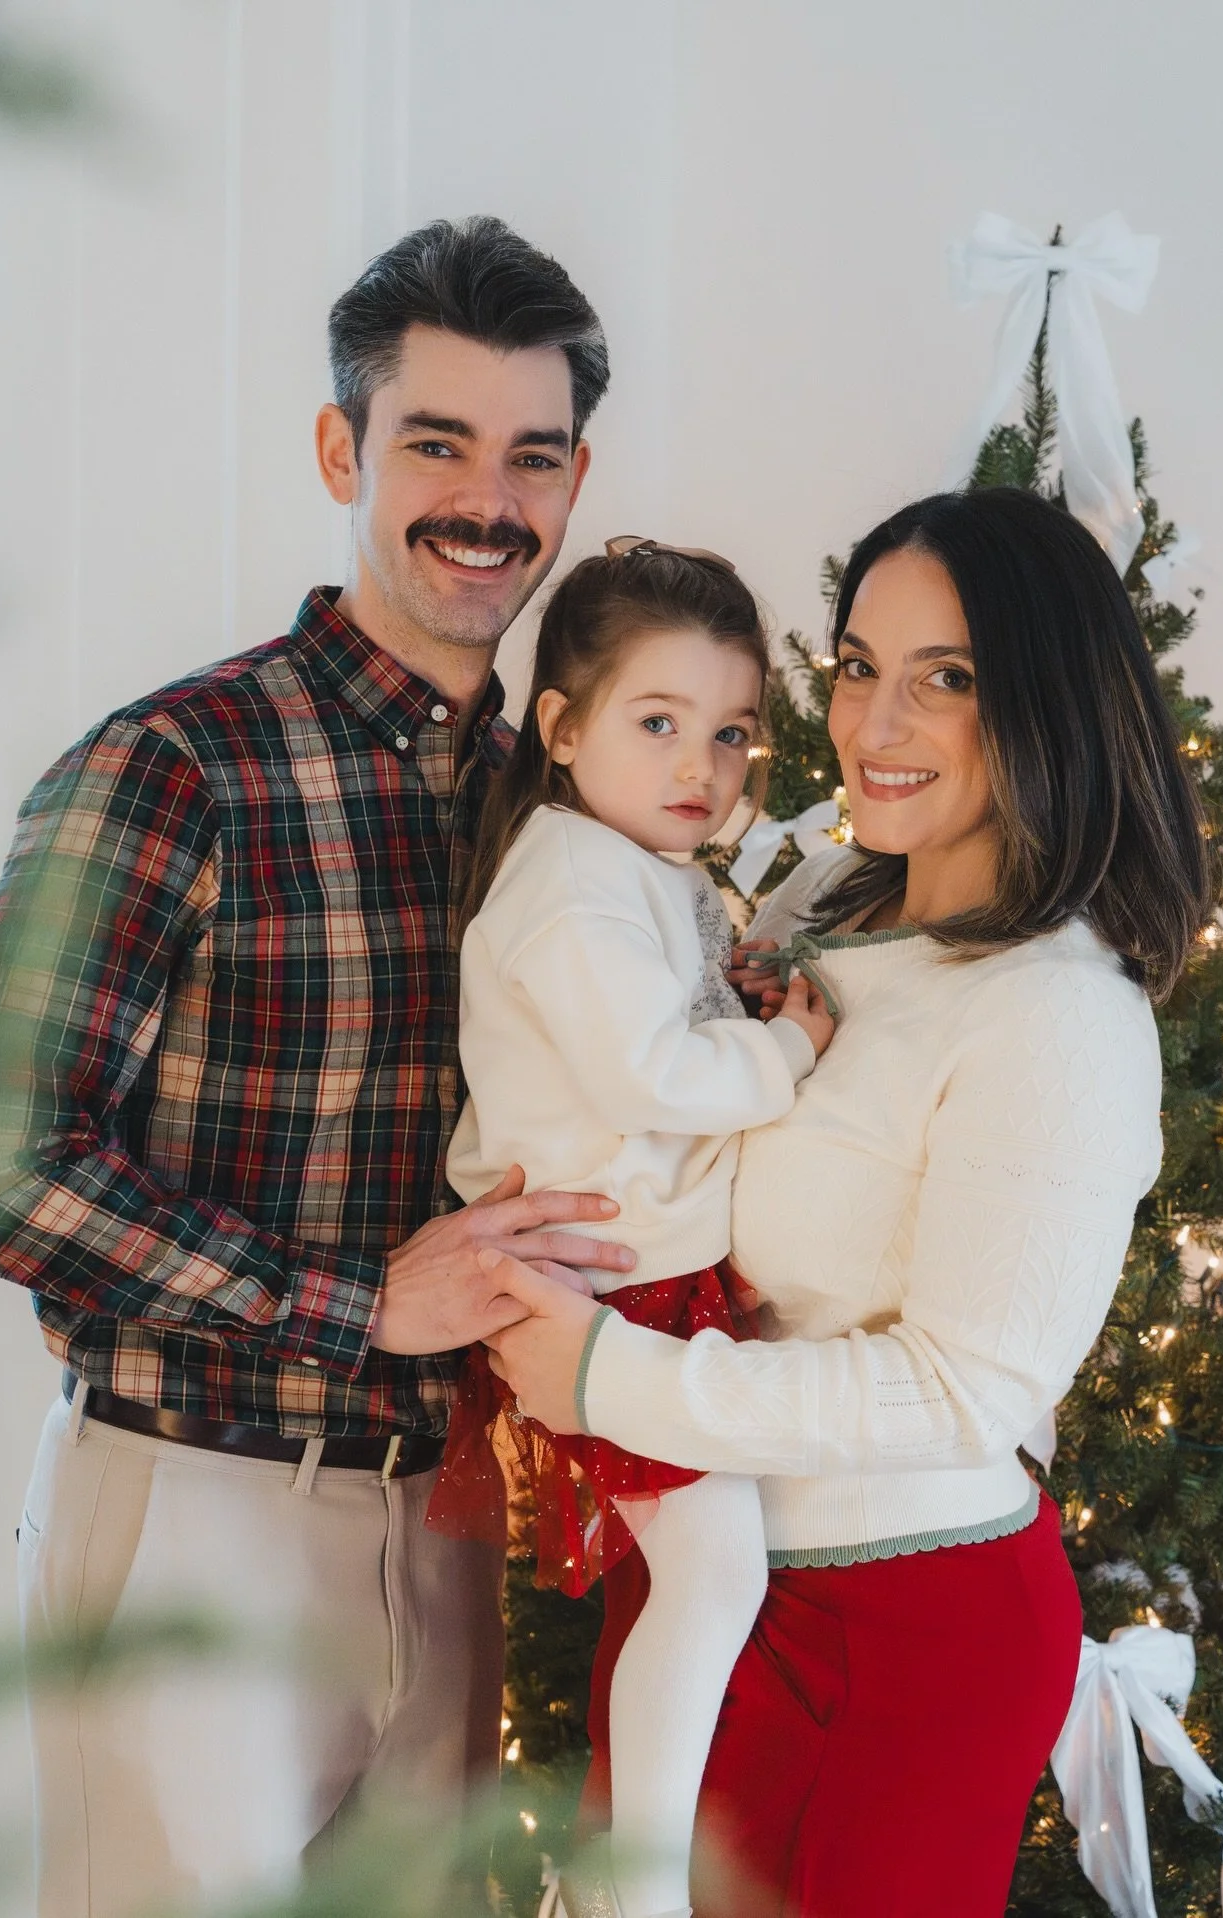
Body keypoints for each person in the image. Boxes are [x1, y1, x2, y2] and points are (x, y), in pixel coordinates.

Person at [0, 216, 635, 1917]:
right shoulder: (171, 768)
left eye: (532, 455)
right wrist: (355, 1303)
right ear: (343, 448)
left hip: (446, 1521)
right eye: (437, 442)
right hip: (198, 1505)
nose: (487, 499)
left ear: (573, 484)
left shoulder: (557, 814)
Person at [478, 487, 1212, 1917]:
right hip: (717, 1557)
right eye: (861, 664)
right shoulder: (827, 908)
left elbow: (962, 1387)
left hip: (897, 1623)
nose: (874, 724)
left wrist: (611, 1374)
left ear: (1048, 703)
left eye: (947, 679)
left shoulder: (1059, 1017)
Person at [428, 536, 835, 1918]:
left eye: (731, 733)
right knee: (716, 1573)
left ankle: (637, 1872)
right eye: (658, 723)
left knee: (708, 1573)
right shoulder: (573, 880)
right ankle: (641, 1882)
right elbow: (650, 1071)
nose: (701, 768)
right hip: (605, 1295)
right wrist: (785, 1054)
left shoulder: (630, 862)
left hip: (631, 1283)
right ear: (562, 727)